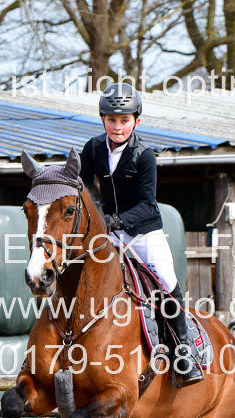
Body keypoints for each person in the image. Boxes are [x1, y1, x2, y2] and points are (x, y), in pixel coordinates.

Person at [78, 83, 204, 388]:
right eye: (112, 119)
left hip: (142, 231)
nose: (118, 126)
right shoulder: (92, 148)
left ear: (137, 121)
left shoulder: (144, 155)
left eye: (125, 120)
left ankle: (184, 351)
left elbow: (148, 204)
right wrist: (97, 218)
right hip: (108, 232)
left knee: (166, 279)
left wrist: (115, 220)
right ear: (102, 119)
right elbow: (81, 189)